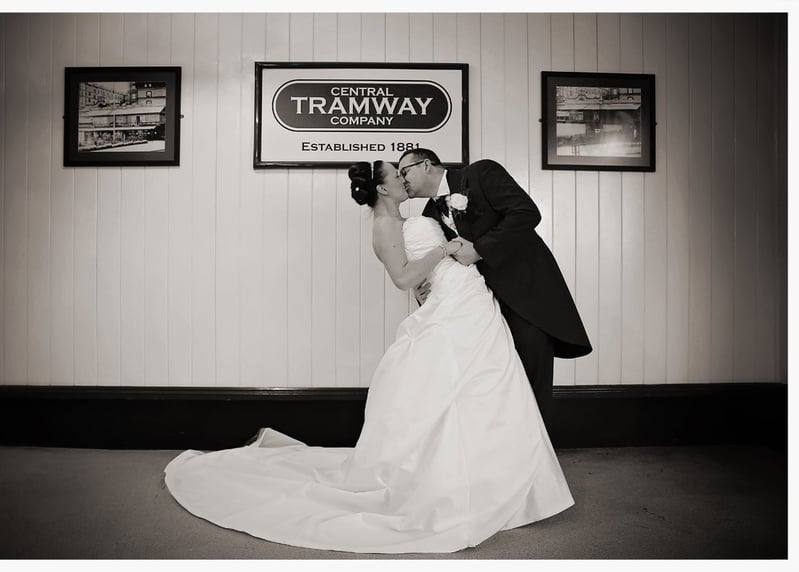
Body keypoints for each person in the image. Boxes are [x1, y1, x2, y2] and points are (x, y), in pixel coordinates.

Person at [164, 160, 574, 554]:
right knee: (458, 387)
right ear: (382, 187)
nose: (403, 179)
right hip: (458, 302)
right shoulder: (386, 224)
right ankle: (460, 478)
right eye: (397, 174)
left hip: (474, 299)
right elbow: (404, 276)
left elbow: (476, 241)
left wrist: (447, 263)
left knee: (491, 384)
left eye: (405, 170)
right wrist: (443, 253)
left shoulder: (430, 209)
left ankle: (502, 471)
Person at [397, 148, 592, 433]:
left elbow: (526, 213)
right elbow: (445, 259)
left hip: (527, 298)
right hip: (482, 310)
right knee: (500, 385)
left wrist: (480, 249)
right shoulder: (429, 215)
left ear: (426, 165)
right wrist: (423, 288)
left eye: (404, 171)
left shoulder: (480, 173)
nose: (402, 180)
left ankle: (537, 455)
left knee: (532, 381)